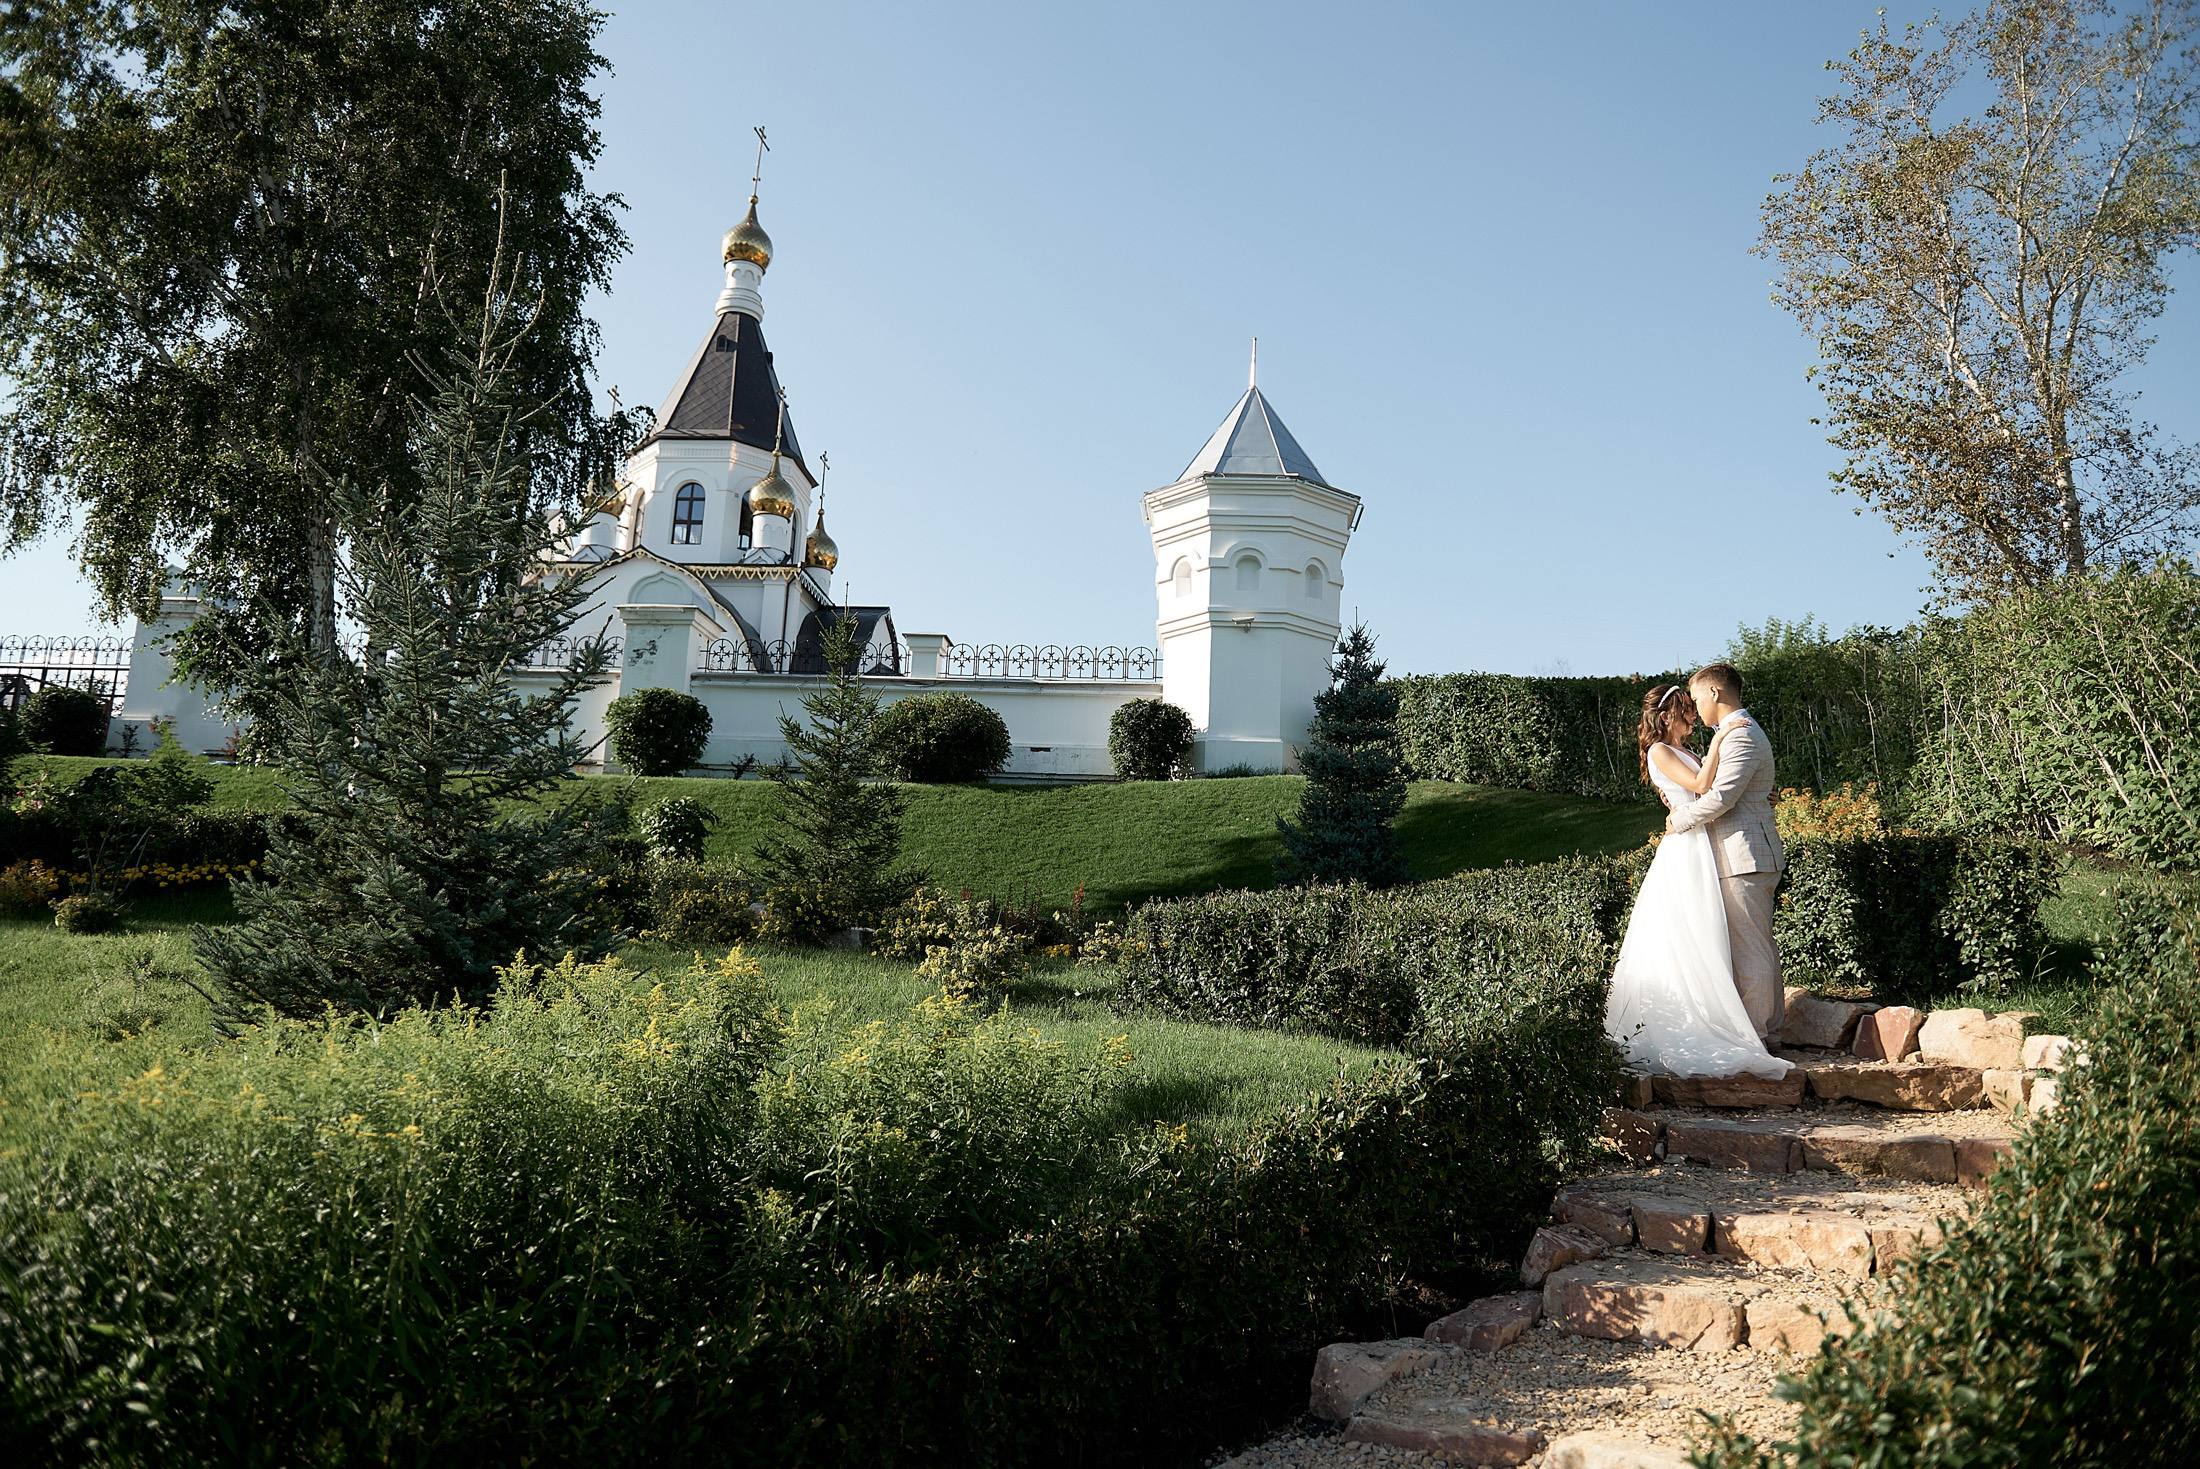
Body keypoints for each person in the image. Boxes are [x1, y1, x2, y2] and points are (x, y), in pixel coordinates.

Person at [1605, 680, 1792, 1079]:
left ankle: (1756, 1032)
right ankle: (1746, 1032)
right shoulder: (1660, 750)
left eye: (1695, 704)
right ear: (1668, 713)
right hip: (1689, 850)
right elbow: (1703, 786)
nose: (1693, 713)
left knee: (1729, 943)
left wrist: (1722, 742)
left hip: (1706, 847)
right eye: (1686, 708)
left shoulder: (1694, 748)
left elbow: (1720, 790)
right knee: (1693, 937)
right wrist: (1722, 738)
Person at [1667, 662, 1786, 1039]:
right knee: (1758, 945)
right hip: (1745, 852)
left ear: (1715, 693)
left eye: (1698, 697)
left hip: (1743, 855)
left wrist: (1678, 820)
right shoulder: (1733, 734)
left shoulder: (1740, 735)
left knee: (1750, 950)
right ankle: (1771, 1031)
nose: (1695, 706)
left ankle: (1756, 1038)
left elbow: (1722, 799)